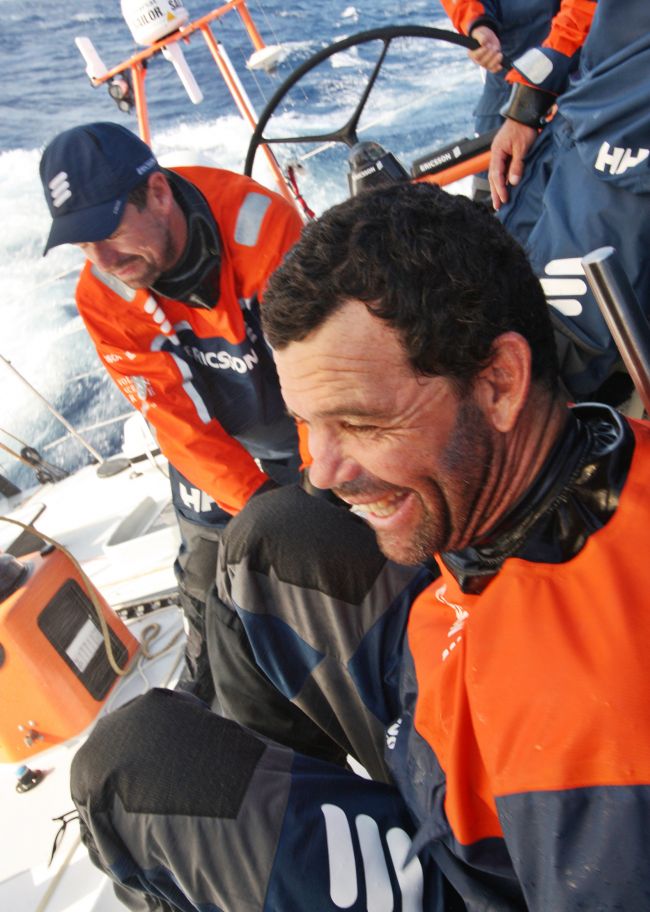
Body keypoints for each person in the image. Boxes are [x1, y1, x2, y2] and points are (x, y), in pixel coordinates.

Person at [71, 183, 650, 910]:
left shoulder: (597, 744)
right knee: (270, 535)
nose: (326, 472)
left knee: (134, 771)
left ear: (500, 381)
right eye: (313, 425)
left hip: (481, 869)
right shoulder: (537, 477)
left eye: (365, 423)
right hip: (453, 703)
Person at [39, 122, 304, 702]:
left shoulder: (263, 229)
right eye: (83, 246)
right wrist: (259, 507)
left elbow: (318, 381)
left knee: (331, 553)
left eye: (107, 232)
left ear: (158, 193)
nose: (103, 259)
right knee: (207, 584)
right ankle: (205, 703)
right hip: (214, 450)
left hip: (309, 429)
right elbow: (172, 419)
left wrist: (307, 503)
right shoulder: (103, 292)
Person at [493, 0, 650, 402]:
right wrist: (526, 105)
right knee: (498, 282)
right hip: (581, 111)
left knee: (548, 363)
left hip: (625, 150)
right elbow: (584, 8)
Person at [439, 0, 596, 200]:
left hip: (584, 89)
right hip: (507, 83)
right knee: (489, 204)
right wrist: (478, 24)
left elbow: (584, 11)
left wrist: (527, 102)